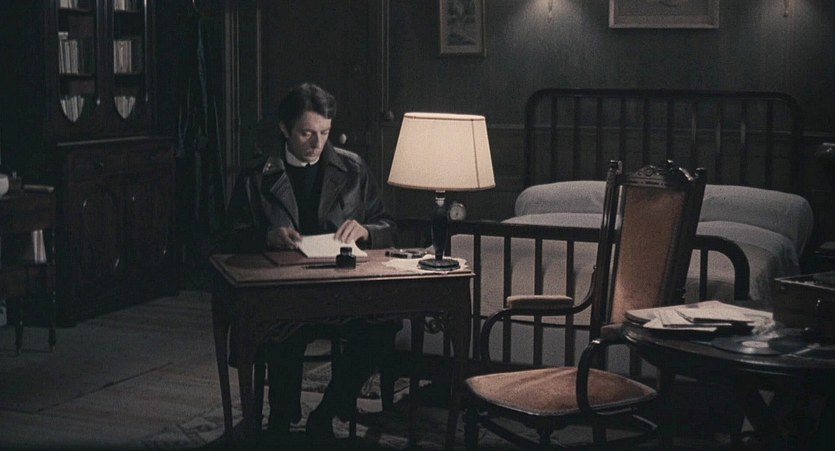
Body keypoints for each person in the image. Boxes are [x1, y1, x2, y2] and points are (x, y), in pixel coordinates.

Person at [224, 82, 400, 440]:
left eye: (325, 132)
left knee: (384, 326)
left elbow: (387, 225)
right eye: (306, 133)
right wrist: (267, 237)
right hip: (284, 292)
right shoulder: (256, 177)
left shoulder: (352, 169)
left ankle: (328, 410)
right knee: (284, 329)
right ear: (284, 129)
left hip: (342, 288)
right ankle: (281, 417)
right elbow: (228, 237)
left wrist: (366, 231)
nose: (317, 143)